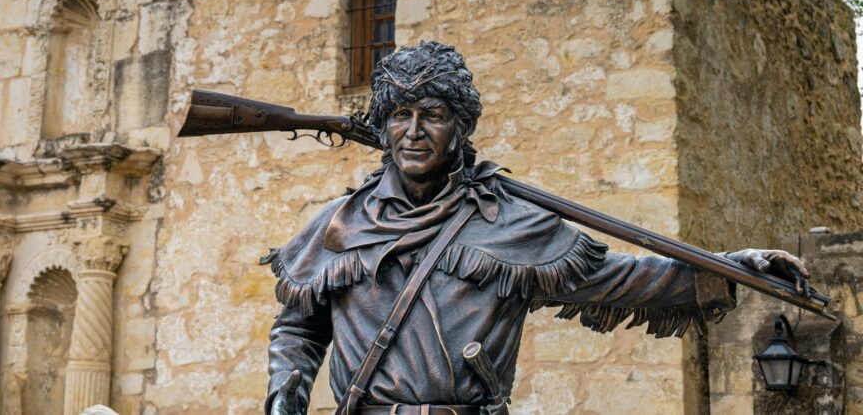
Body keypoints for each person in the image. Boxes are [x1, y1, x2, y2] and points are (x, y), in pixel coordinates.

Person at [263, 42, 809, 415]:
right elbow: (300, 328)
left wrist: (734, 266)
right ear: (382, 127)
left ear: (459, 127)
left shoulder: (512, 224)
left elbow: (623, 279)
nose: (413, 131)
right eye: (399, 115)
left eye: (432, 114)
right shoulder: (338, 223)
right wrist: (284, 393)